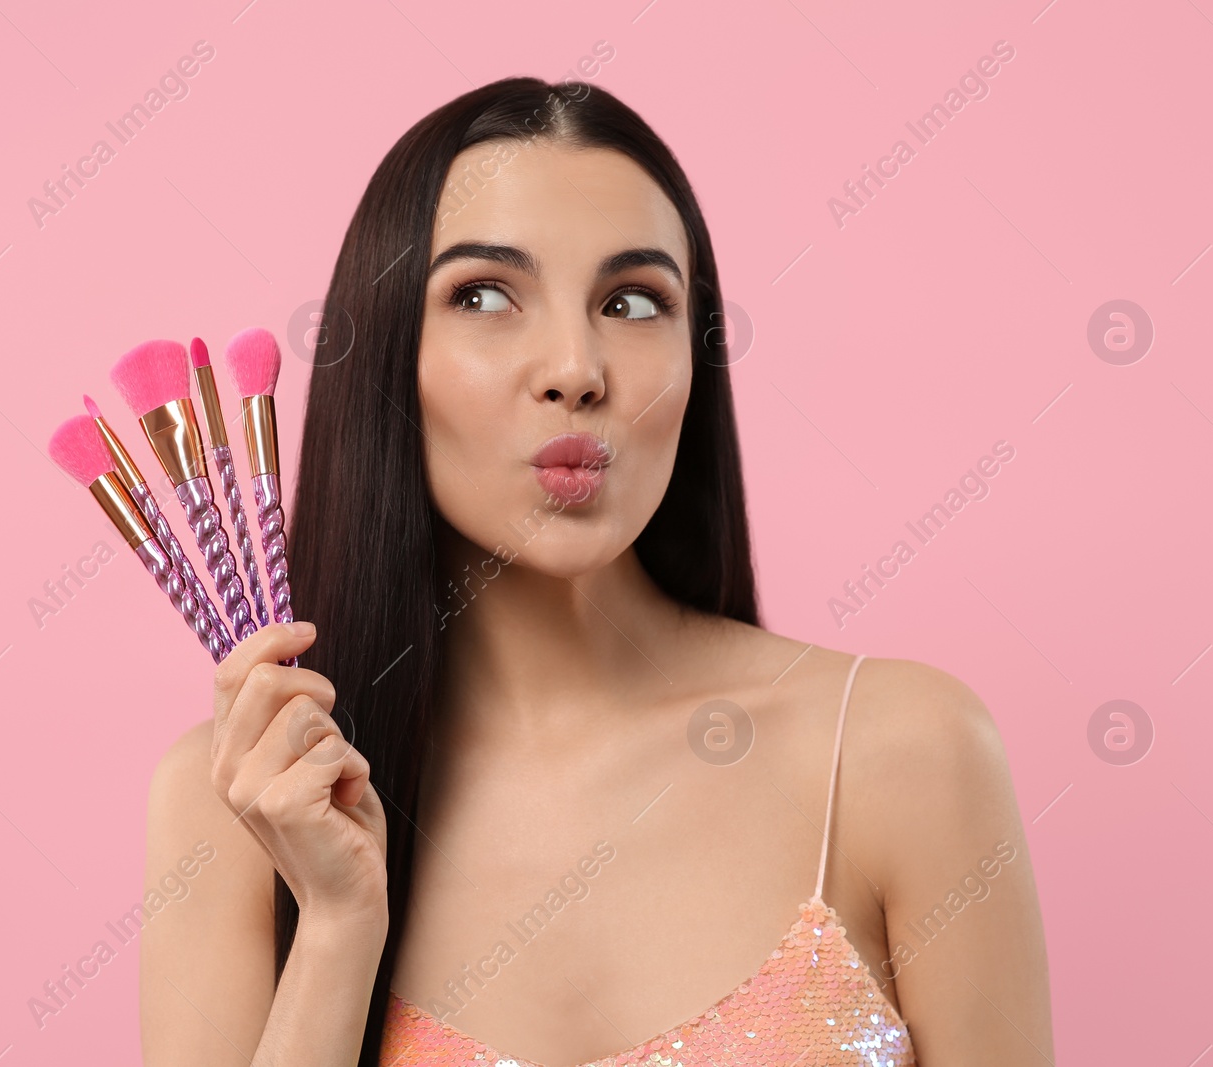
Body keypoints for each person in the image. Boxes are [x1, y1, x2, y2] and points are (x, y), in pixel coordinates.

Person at [141, 76, 1053, 1066]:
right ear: (386, 355)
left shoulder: (897, 753)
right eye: (483, 294)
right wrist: (334, 923)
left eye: (632, 300)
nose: (576, 365)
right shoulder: (244, 797)